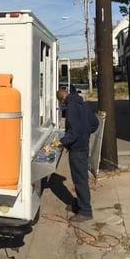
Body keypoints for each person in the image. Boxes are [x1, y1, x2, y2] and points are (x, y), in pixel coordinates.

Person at [56, 86, 99, 222]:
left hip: (77, 149)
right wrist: (85, 134)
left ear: (62, 99)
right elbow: (95, 124)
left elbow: (73, 132)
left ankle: (85, 211)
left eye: (61, 102)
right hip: (83, 146)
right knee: (80, 178)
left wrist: (61, 142)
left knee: (80, 180)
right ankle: (79, 204)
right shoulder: (83, 104)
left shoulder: (70, 108)